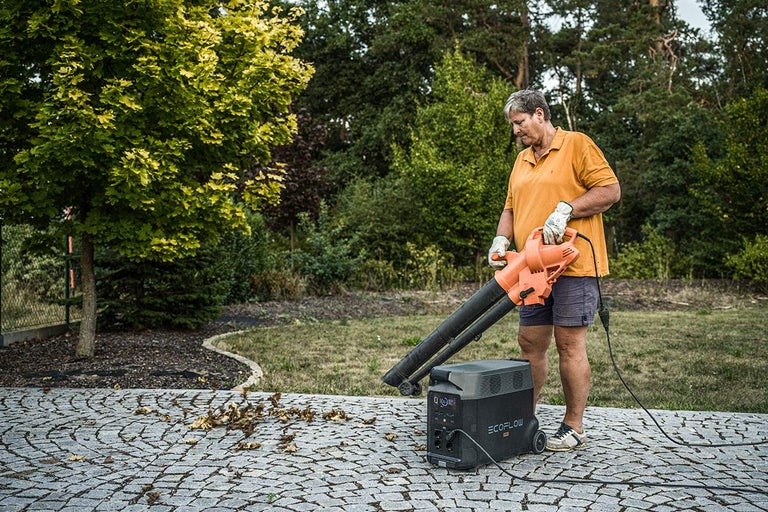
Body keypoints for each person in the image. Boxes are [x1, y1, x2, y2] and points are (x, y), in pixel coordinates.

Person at [488, 89, 621, 452]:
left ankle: (573, 425)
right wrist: (501, 240)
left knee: (569, 343)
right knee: (530, 343)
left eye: (519, 123)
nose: (516, 131)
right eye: (513, 125)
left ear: (540, 115)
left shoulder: (577, 145)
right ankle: (524, 417)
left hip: (573, 264)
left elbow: (610, 190)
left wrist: (567, 209)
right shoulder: (522, 161)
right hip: (531, 268)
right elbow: (510, 208)